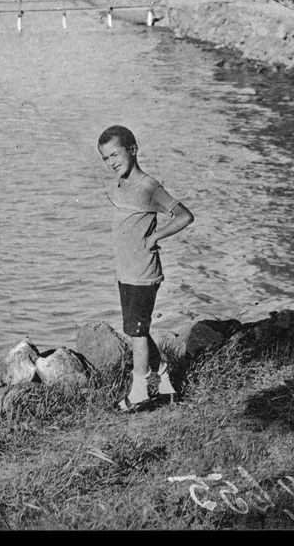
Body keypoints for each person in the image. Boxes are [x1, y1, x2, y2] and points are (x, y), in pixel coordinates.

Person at [97, 124, 194, 411]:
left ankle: (139, 393)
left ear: (133, 150)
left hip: (143, 272)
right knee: (137, 330)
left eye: (115, 154)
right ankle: (165, 382)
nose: (111, 162)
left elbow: (184, 215)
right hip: (125, 271)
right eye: (105, 158)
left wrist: (155, 236)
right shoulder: (118, 185)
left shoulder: (148, 186)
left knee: (137, 333)